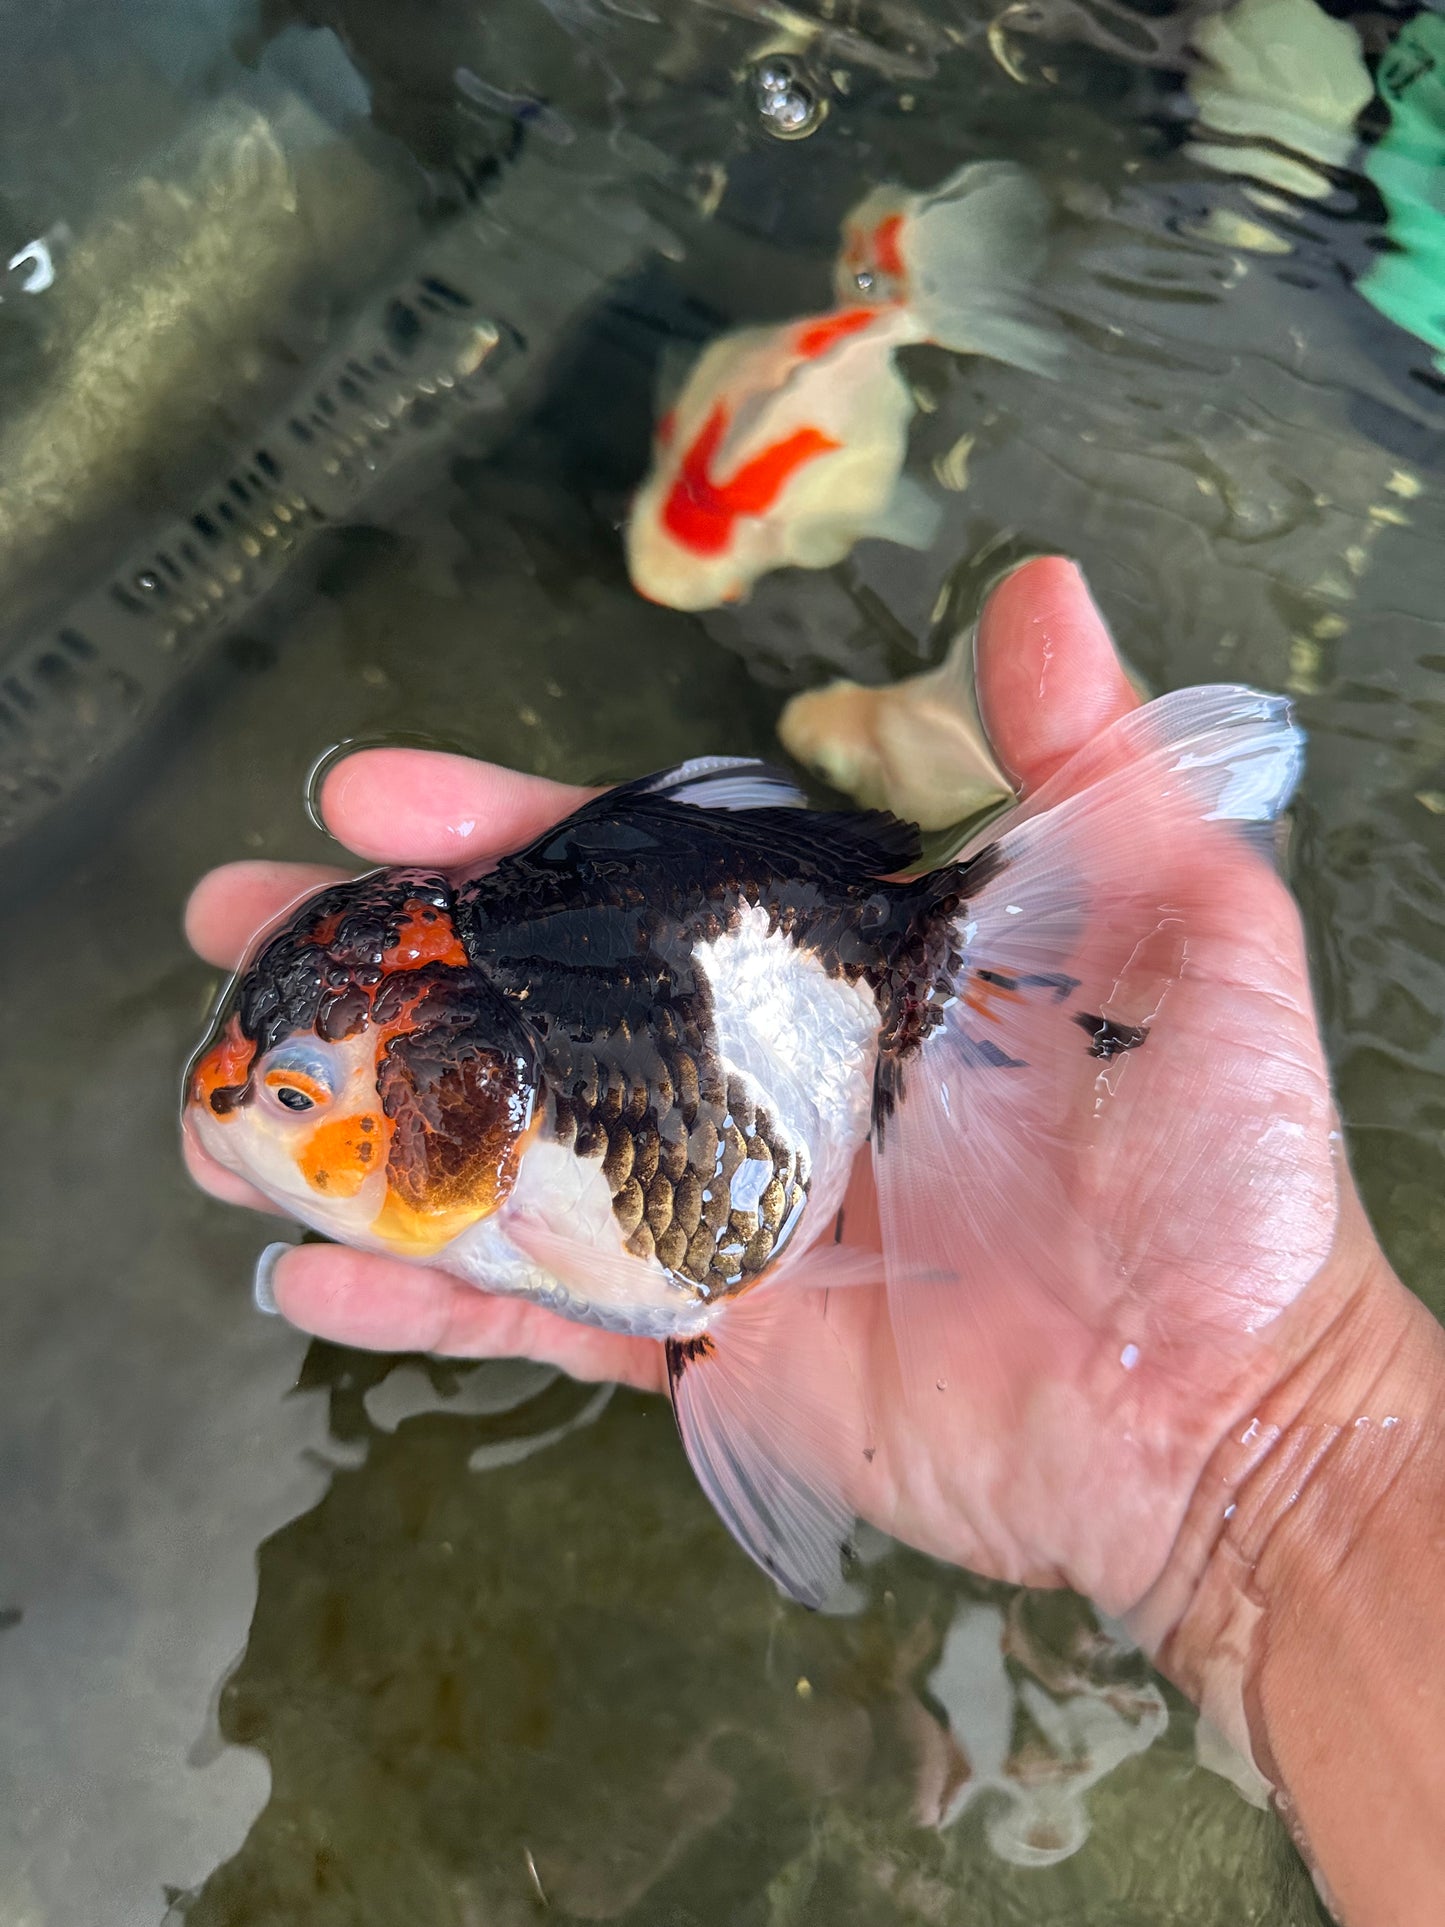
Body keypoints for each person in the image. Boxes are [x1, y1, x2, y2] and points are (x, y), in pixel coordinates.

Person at [184, 557, 1445, 1925]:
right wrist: (1258, 1454)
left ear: (459, 1081)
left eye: (300, 1098)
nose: (242, 1111)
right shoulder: (509, 1155)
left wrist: (1254, 1453)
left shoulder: (583, 1125)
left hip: (782, 998)